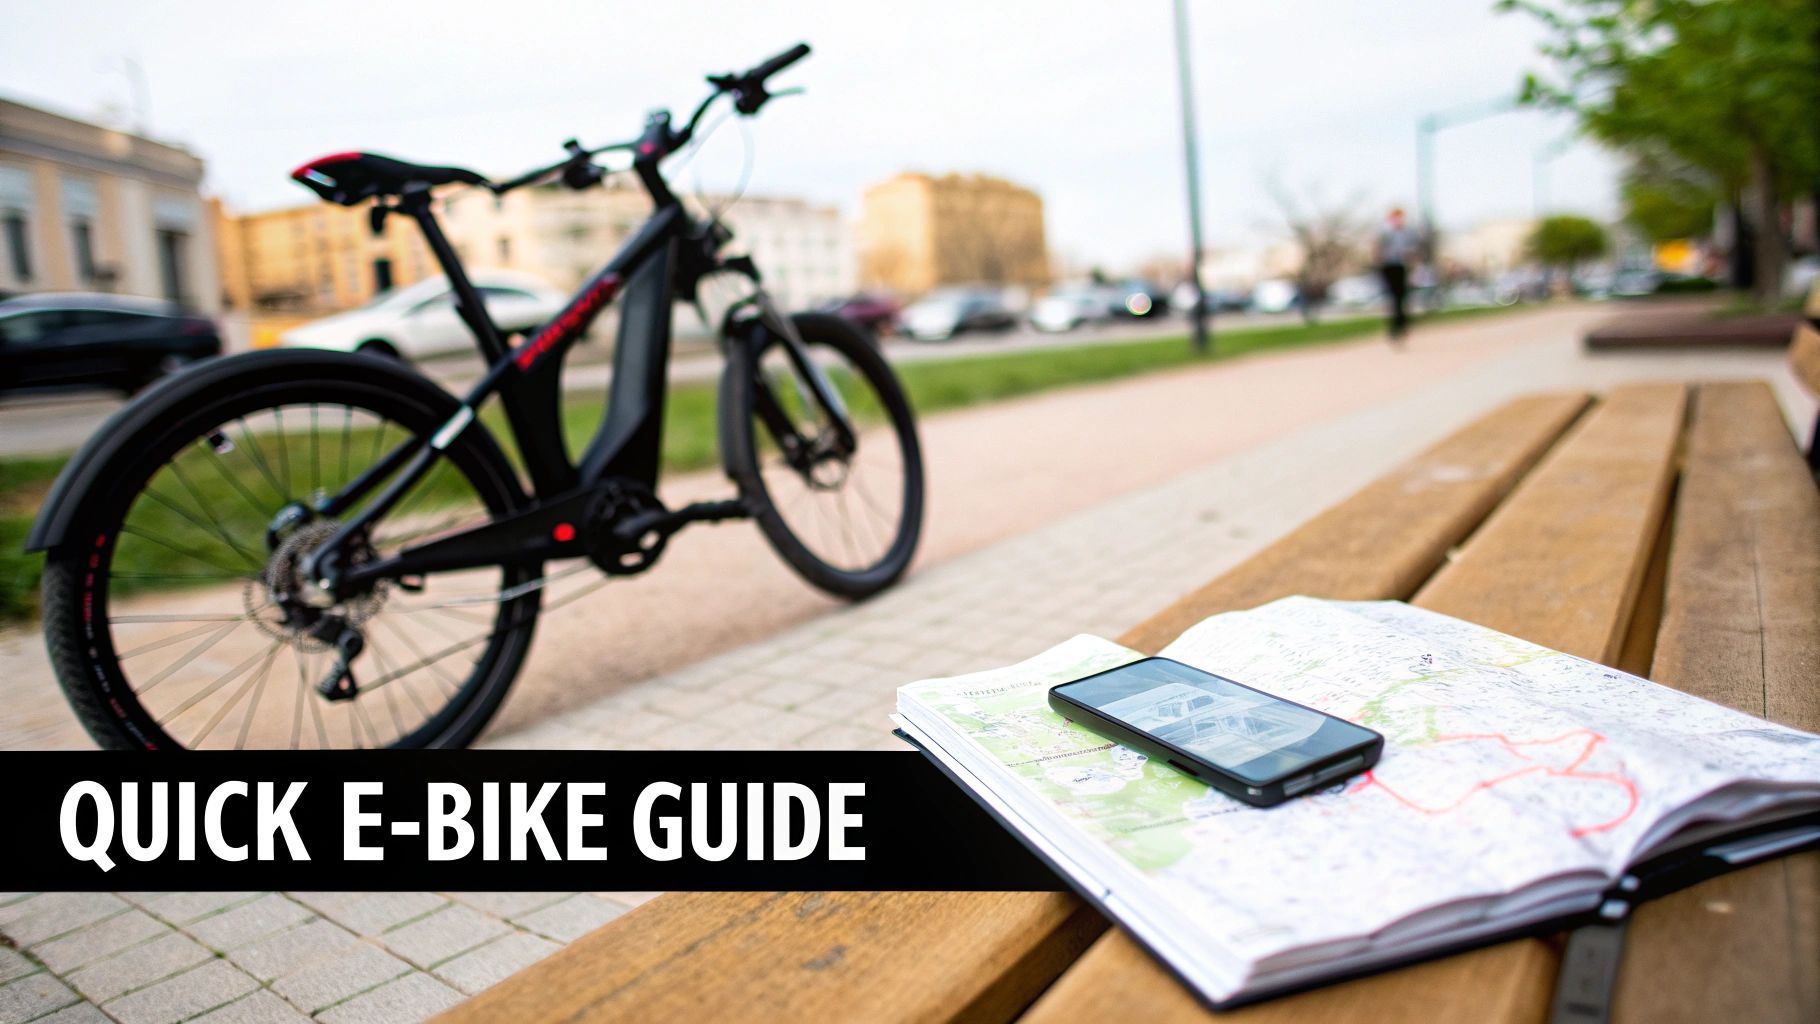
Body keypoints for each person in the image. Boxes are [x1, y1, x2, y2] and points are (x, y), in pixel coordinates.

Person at [1375, 207, 1422, 341]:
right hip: (1389, 266)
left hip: (1402, 266)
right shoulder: (1385, 232)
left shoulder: (1408, 232)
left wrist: (1413, 265)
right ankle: (1395, 325)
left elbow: (1413, 250)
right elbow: (1379, 248)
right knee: (1392, 296)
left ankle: (1402, 323)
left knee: (1401, 295)